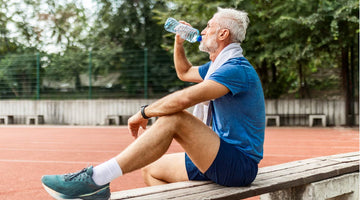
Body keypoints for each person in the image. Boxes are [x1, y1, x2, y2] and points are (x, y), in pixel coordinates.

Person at [41, 7, 265, 200]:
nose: (203, 30)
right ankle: (96, 187)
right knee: (151, 170)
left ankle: (95, 179)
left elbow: (185, 99)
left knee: (176, 118)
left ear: (223, 33)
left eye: (209, 26)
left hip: (239, 165)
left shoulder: (235, 69)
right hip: (221, 156)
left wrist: (144, 113)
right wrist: (179, 42)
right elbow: (185, 72)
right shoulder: (218, 68)